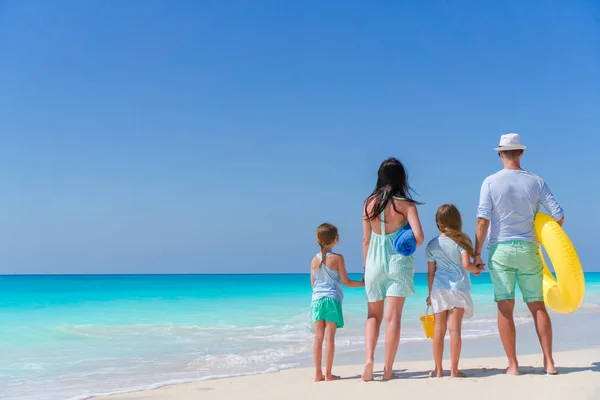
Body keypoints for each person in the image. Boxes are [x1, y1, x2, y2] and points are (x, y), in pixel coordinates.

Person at [474, 133, 564, 375]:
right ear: (521, 153)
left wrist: (476, 253)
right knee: (537, 305)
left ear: (500, 154)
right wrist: (549, 241)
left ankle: (513, 365)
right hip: (529, 248)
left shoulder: (490, 182)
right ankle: (549, 362)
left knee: (505, 307)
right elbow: (558, 215)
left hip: (500, 249)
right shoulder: (536, 181)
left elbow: (482, 220)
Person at [361, 157, 424, 381]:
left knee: (372, 316)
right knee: (393, 318)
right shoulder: (406, 205)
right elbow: (419, 237)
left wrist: (367, 268)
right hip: (398, 261)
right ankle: (388, 370)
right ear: (401, 178)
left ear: (380, 176)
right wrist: (405, 244)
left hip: (374, 262)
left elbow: (366, 240)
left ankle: (369, 358)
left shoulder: (368, 203)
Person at [426, 204, 484, 378]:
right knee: (455, 330)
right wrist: (477, 270)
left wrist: (430, 294)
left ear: (438, 222)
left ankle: (438, 370)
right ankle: (454, 370)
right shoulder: (461, 241)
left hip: (439, 289)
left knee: (438, 330)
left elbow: (431, 273)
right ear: (457, 220)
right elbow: (466, 265)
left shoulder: (432, 244)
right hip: (458, 288)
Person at [310, 223, 364, 382]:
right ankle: (328, 374)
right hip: (332, 300)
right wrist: (363, 284)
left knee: (318, 338)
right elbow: (346, 282)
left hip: (316, 301)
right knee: (330, 338)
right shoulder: (337, 258)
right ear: (335, 239)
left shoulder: (313, 260)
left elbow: (313, 284)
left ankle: (317, 374)